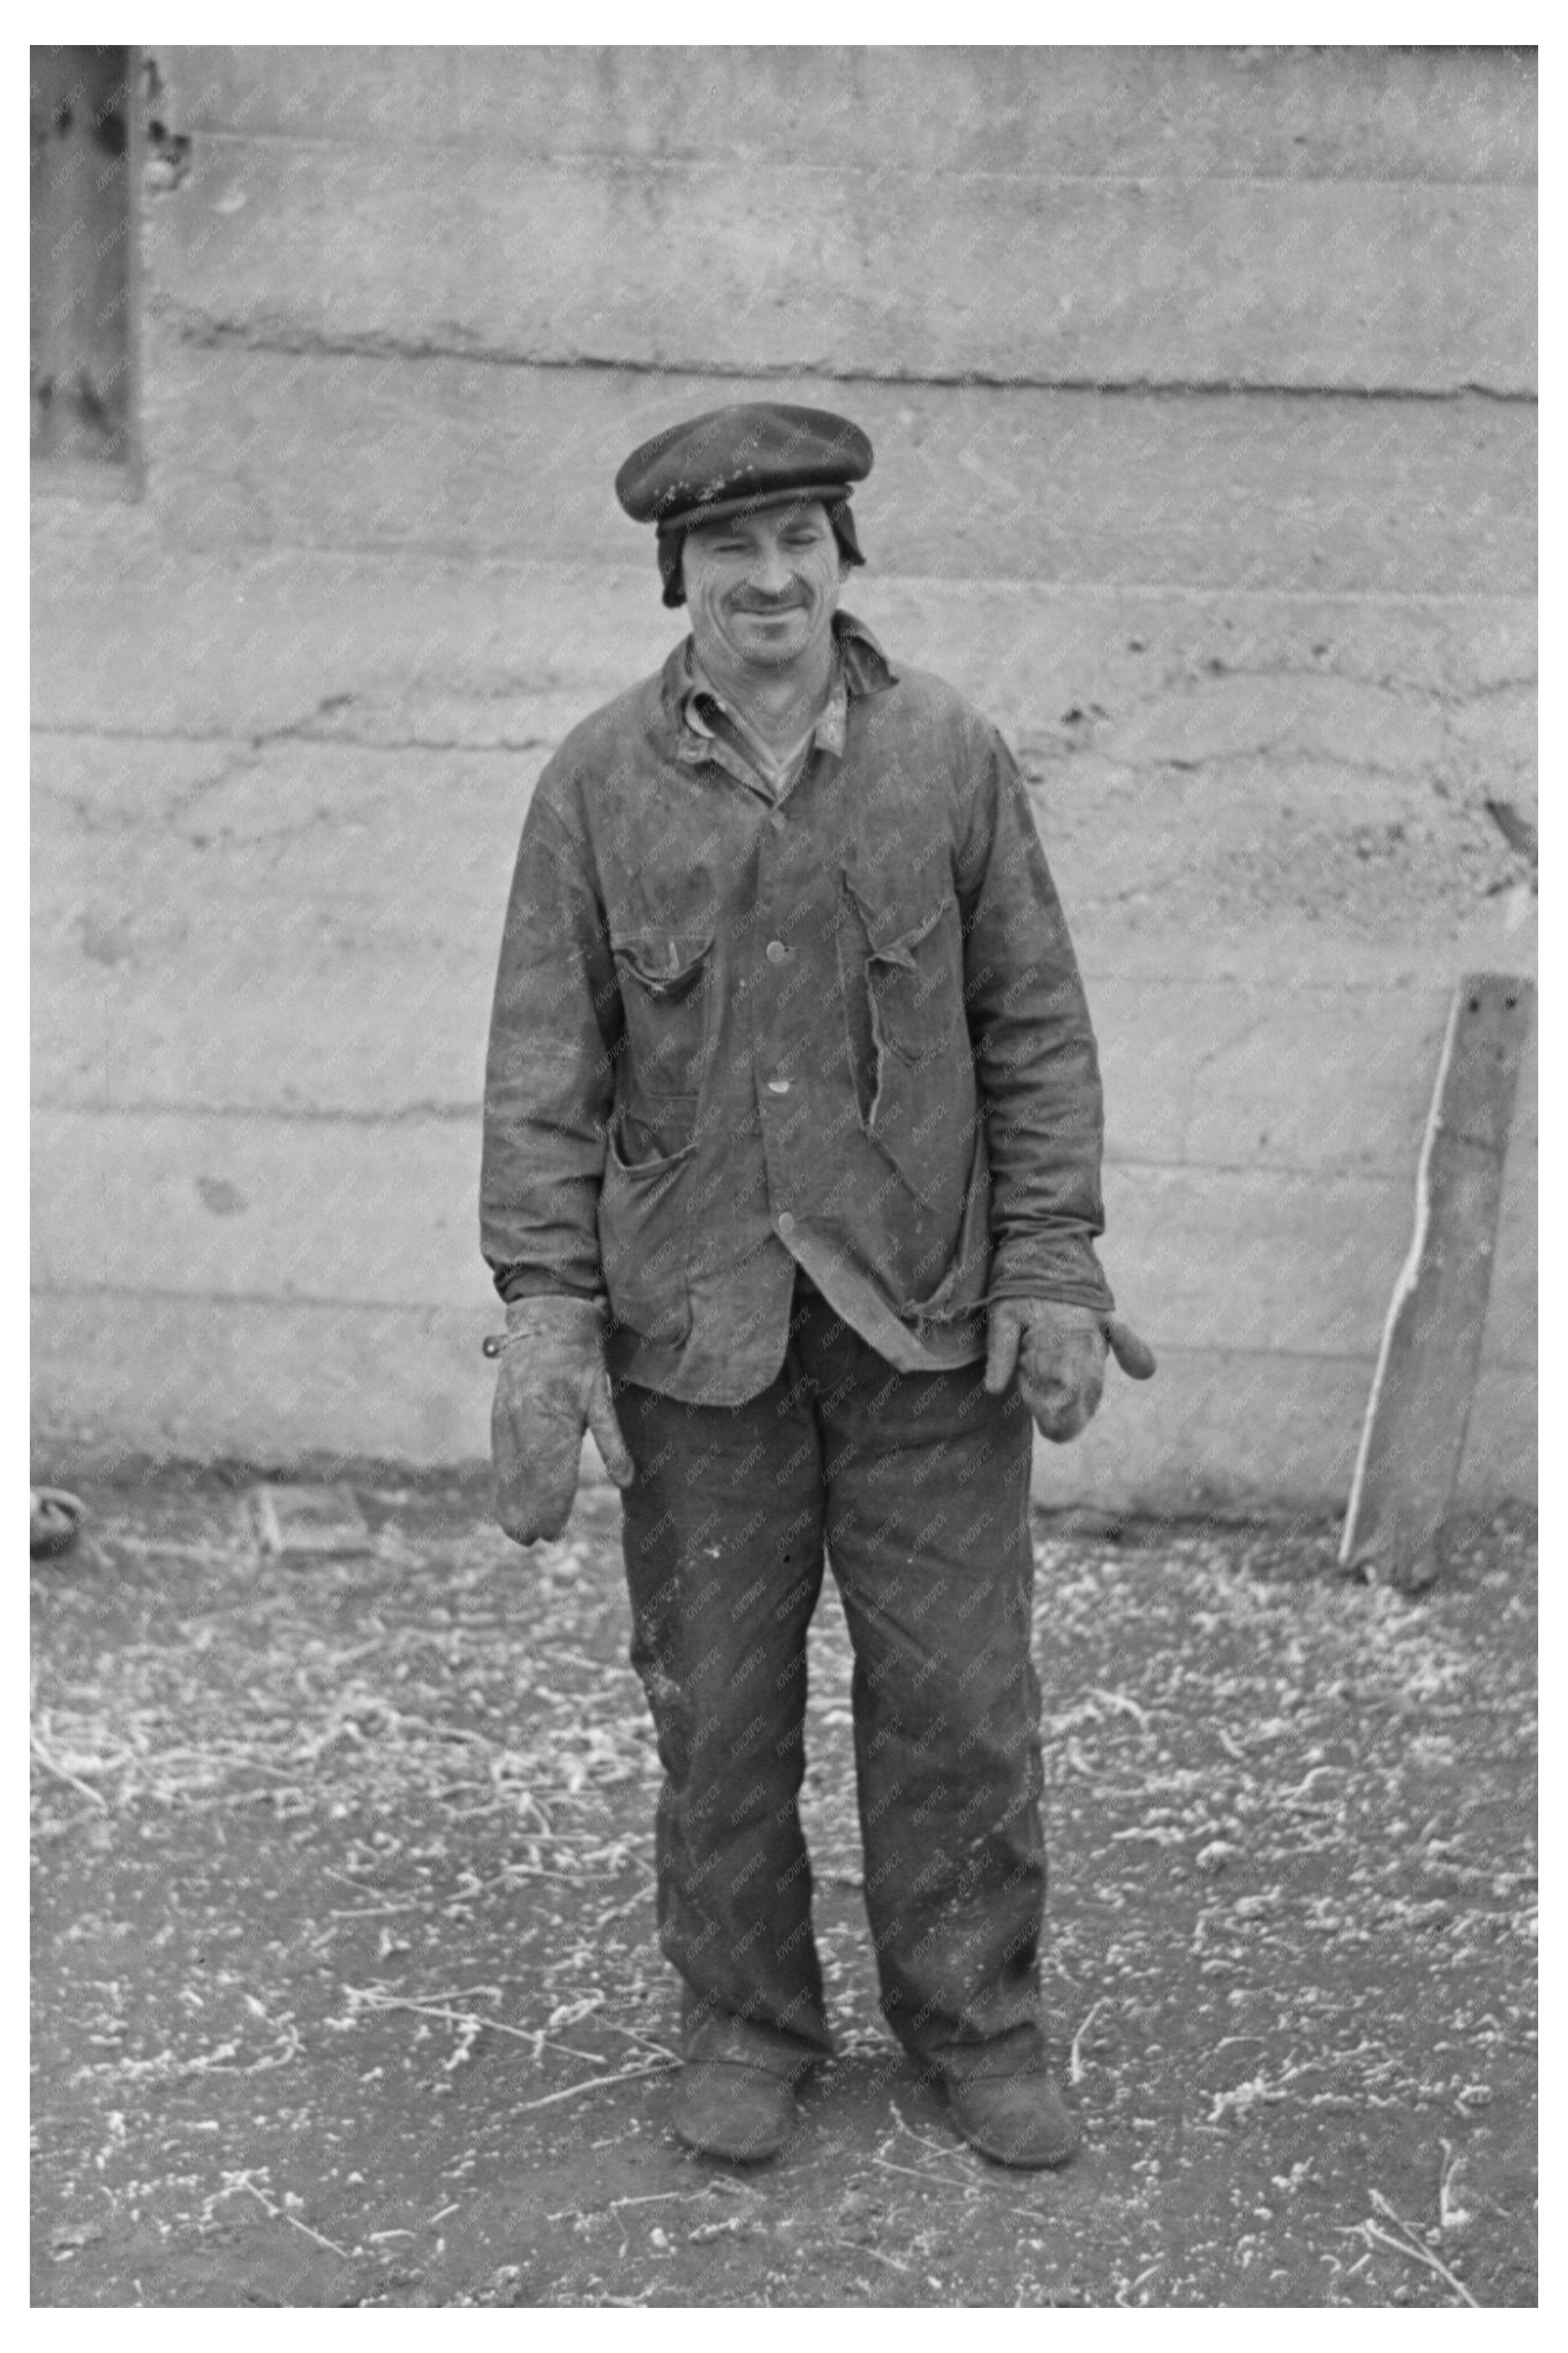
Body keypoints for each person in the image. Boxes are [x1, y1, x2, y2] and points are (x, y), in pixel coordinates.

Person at [480, 402, 1153, 2169]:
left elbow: (1035, 1027)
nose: (769, 578)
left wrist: (1056, 1262)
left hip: (924, 1321)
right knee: (717, 1705)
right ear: (678, 579)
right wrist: (548, 1316)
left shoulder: (947, 755)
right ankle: (748, 2022)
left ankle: (978, 2023)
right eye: (730, 551)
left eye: (800, 543)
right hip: (697, 1333)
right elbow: (544, 1069)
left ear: (842, 561)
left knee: (958, 1699)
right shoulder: (598, 784)